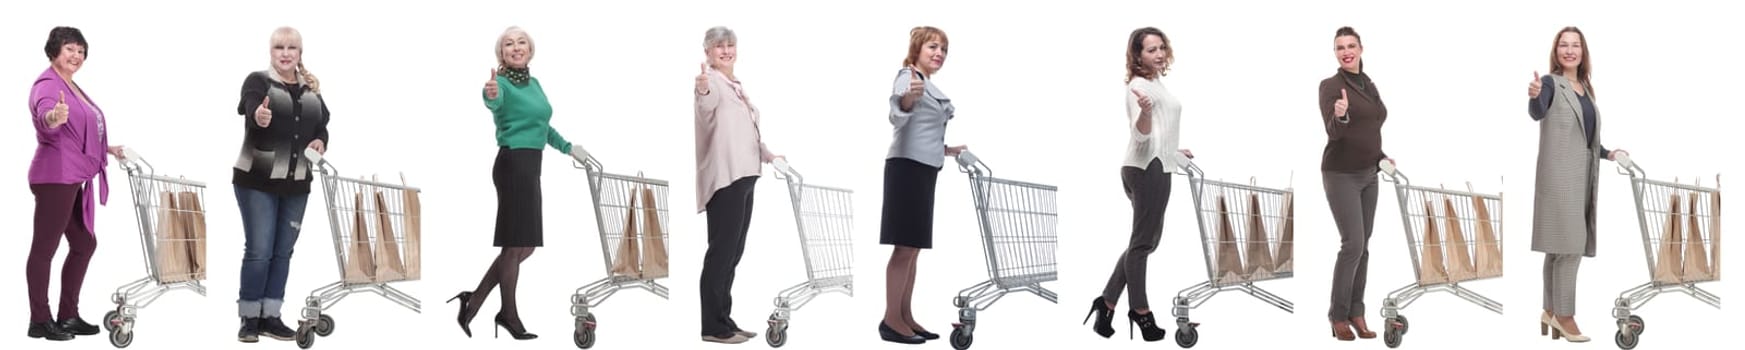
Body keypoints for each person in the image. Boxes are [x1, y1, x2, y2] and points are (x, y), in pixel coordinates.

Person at [449, 26, 589, 341]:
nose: (516, 47)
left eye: (521, 42)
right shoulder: (498, 83)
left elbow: (542, 125)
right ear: (502, 53)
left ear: (530, 49)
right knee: (514, 244)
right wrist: (491, 95)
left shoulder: (534, 83)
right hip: (513, 164)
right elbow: (493, 102)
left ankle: (474, 299)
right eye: (509, 44)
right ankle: (508, 314)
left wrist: (570, 148)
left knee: (525, 245)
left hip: (531, 165)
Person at [1086, 26, 1192, 342]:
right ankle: (1140, 312)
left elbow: (1160, 132)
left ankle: (1105, 304)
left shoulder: (1156, 82)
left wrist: (1174, 150)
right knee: (1143, 244)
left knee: (1143, 241)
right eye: (1150, 50)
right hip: (1147, 169)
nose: (1158, 54)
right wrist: (1145, 113)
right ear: (1137, 55)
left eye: (1161, 47)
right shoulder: (1138, 87)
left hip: (1156, 164)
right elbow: (1142, 134)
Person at [231, 26, 331, 343]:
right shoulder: (258, 81)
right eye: (279, 47)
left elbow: (323, 126)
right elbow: (250, 107)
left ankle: (271, 316)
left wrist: (320, 141)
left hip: (297, 184)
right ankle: (249, 318)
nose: (285, 53)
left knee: (283, 252)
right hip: (257, 181)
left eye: (292, 48)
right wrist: (258, 115)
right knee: (260, 251)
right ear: (270, 52)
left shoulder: (311, 91)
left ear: (300, 53)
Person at [1526, 26, 1624, 344]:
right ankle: (1565, 317)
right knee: (1570, 247)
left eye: (1575, 45)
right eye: (1564, 45)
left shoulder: (1584, 87)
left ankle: (1549, 310)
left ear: (1583, 52)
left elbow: (1586, 137)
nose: (1570, 50)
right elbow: (1538, 111)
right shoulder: (1551, 84)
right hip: (1559, 179)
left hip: (1582, 177)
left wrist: (1609, 153)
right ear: (1556, 52)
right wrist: (1535, 96)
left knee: (1558, 250)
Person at [26, 25, 125, 342]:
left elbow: (80, 130)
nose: (76, 55)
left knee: (84, 244)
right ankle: (40, 321)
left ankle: (67, 316)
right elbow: (46, 116)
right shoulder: (47, 83)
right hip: (55, 177)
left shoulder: (72, 85)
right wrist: (53, 117)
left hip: (71, 177)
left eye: (81, 51)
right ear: (54, 50)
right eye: (70, 48)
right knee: (44, 249)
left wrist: (105, 148)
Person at [693, 26, 785, 345]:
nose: (726, 50)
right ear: (707, 52)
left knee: (734, 252)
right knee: (721, 252)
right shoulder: (712, 83)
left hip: (747, 175)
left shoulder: (736, 85)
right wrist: (703, 89)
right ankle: (712, 327)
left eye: (730, 45)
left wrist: (769, 155)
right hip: (726, 177)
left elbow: (747, 132)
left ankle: (725, 319)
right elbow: (707, 107)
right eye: (719, 46)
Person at [878, 26, 966, 345]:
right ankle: (891, 320)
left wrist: (947, 149)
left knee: (913, 249)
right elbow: (898, 115)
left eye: (944, 49)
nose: (939, 53)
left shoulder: (927, 82)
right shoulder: (909, 76)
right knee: (904, 247)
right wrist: (908, 99)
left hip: (923, 169)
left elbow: (921, 130)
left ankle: (905, 315)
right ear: (917, 48)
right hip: (906, 169)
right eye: (933, 47)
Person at [1317, 26, 1392, 341]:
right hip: (1341, 174)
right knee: (1353, 245)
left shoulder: (1368, 83)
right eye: (1339, 47)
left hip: (1369, 174)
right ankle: (1338, 315)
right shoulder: (1330, 86)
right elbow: (1335, 132)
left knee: (1364, 247)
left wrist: (1382, 156)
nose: (1345, 51)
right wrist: (1341, 114)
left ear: (1361, 48)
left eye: (1350, 45)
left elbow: (1372, 126)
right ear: (1335, 53)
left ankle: (1357, 311)